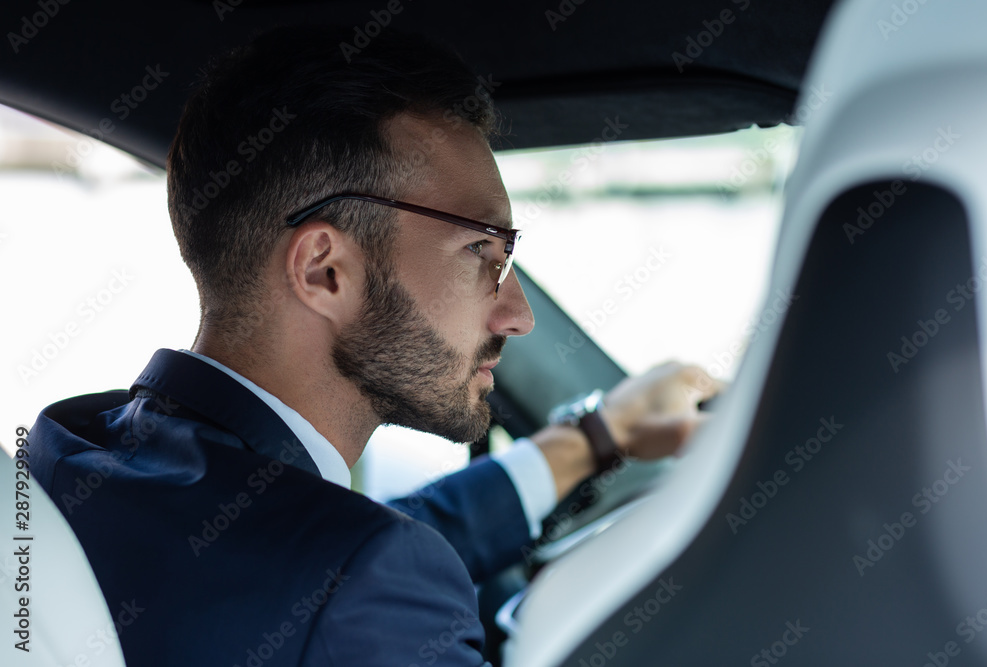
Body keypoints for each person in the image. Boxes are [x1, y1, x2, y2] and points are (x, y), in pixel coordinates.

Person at [30, 25, 718, 666]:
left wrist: (598, 435)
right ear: (324, 270)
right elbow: (359, 563)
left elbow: (339, 539)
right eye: (483, 250)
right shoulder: (364, 585)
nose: (518, 314)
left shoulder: (74, 449)